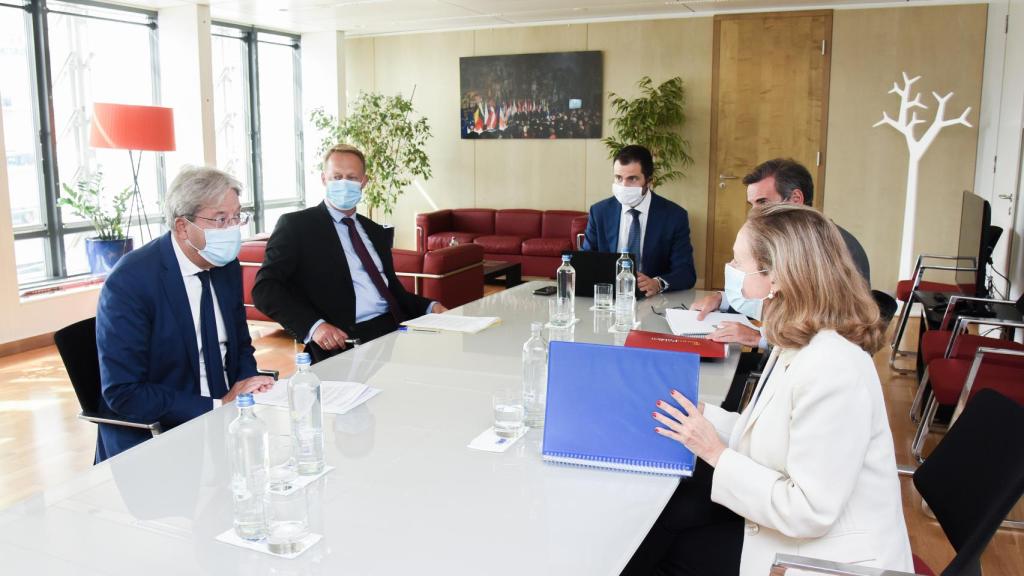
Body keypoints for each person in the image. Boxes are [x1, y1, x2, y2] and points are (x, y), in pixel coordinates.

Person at [630, 204, 912, 576]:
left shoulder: (834, 368)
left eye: (738, 263)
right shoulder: (800, 339)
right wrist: (698, 414)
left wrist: (713, 451)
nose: (731, 273)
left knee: (667, 549)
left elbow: (808, 512)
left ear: (777, 276)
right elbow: (769, 435)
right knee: (674, 517)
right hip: (794, 532)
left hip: (823, 557)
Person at [95, 166, 274, 463]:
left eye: (236, 217)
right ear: (182, 227)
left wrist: (248, 382)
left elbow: (240, 345)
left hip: (230, 421)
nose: (232, 229)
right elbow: (124, 392)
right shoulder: (131, 281)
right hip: (163, 435)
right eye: (220, 220)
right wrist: (217, 405)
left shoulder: (225, 266)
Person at [253, 144, 446, 362]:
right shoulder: (296, 226)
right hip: (343, 340)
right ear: (324, 179)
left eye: (352, 177)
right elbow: (265, 289)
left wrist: (430, 306)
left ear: (363, 182)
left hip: (392, 331)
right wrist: (315, 327)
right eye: (337, 177)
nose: (344, 183)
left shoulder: (373, 231)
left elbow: (390, 290)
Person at [694, 158, 870, 349]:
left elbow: (828, 333)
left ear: (795, 199)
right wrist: (724, 299)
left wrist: (758, 338)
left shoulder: (828, 249)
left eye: (762, 202)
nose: (753, 213)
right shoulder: (792, 241)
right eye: (751, 204)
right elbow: (777, 294)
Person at [582, 145, 696, 296]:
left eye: (632, 179)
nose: (624, 186)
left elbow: (686, 272)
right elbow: (586, 262)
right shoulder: (599, 212)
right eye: (618, 178)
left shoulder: (674, 216)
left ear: (648, 180)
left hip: (652, 299)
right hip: (609, 295)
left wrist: (658, 283)